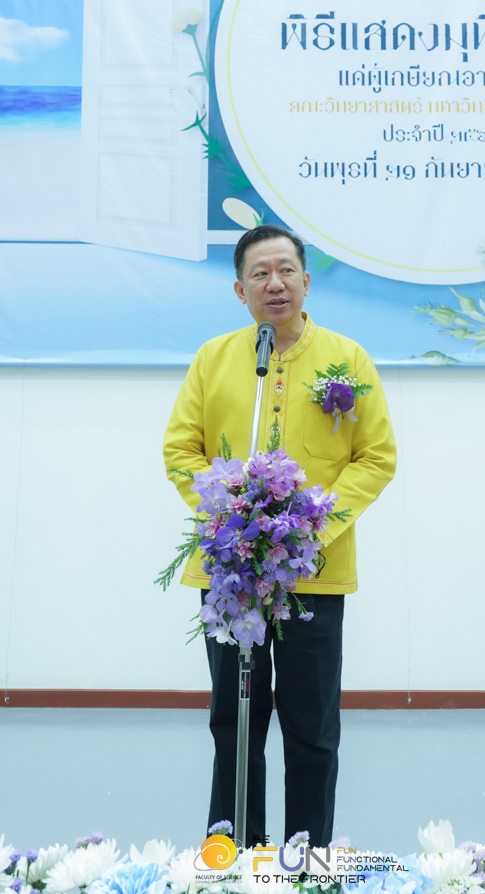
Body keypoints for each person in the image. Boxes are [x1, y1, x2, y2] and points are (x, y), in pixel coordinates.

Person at [163, 225, 397, 848]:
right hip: (232, 573)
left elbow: (376, 457)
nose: (276, 284)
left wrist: (314, 525)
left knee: (311, 725)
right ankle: (232, 858)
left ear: (306, 281)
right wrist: (226, 512)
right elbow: (181, 450)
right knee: (233, 721)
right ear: (239, 290)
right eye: (260, 274)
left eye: (287, 270)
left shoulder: (348, 359)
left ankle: (308, 861)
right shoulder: (213, 358)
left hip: (312, 571)